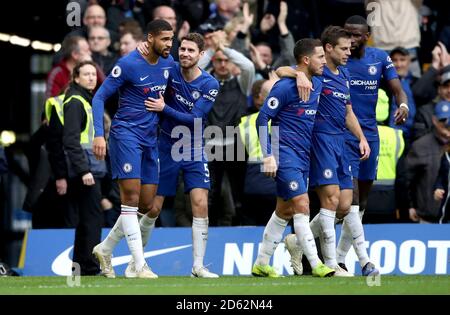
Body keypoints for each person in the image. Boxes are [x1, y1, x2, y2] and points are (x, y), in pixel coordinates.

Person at [277, 26, 371, 277]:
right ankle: (332, 264)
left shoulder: (343, 75)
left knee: (344, 206)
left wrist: (361, 136)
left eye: (350, 48)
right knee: (329, 201)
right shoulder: (316, 74)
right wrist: (297, 75)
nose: (348, 53)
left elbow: (348, 111)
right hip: (319, 141)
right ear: (328, 49)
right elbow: (279, 70)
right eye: (343, 48)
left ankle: (298, 240)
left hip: (342, 142)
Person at [91, 20, 175, 279]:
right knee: (129, 199)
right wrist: (98, 134)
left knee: (147, 204)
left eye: (171, 39)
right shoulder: (128, 64)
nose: (169, 44)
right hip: (125, 134)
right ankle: (139, 265)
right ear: (150, 38)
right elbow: (99, 97)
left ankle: (105, 249)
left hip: (151, 138)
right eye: (164, 39)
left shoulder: (168, 63)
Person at [134, 33, 220, 278]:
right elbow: (146, 61)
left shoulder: (210, 84)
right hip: (165, 145)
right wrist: (143, 48)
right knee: (153, 208)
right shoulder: (169, 70)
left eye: (191, 51)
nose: (184, 54)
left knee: (200, 204)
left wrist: (164, 108)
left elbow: (195, 120)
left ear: (201, 55)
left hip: (193, 146)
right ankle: (137, 262)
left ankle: (198, 267)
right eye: (182, 49)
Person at [251, 38, 334, 278]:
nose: (324, 60)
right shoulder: (285, 87)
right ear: (307, 60)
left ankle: (261, 263)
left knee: (284, 210)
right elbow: (261, 119)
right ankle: (316, 264)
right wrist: (268, 155)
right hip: (283, 153)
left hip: (303, 155)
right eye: (320, 56)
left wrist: (299, 74)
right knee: (302, 204)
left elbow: (284, 69)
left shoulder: (316, 82)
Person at [62, 60, 107, 275]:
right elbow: (70, 140)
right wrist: (84, 170)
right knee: (92, 218)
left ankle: (80, 267)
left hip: (89, 168)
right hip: (85, 170)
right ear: (76, 78)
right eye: (86, 74)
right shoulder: (76, 101)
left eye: (93, 74)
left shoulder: (86, 99)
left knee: (86, 220)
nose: (91, 77)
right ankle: (89, 265)